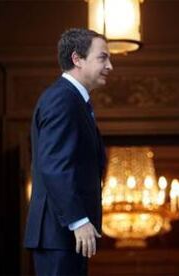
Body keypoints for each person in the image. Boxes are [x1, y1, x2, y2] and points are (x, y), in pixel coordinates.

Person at [24, 28, 112, 275]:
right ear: (77, 59)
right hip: (59, 233)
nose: (110, 66)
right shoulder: (63, 100)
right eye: (103, 57)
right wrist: (79, 220)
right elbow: (54, 166)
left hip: (63, 236)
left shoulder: (74, 99)